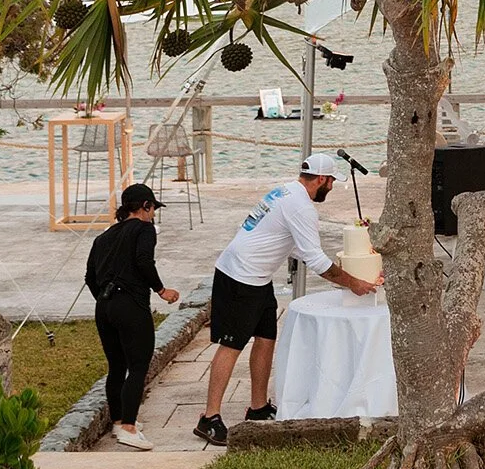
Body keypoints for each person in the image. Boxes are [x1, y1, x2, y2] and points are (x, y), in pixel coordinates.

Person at [194, 154, 379, 445]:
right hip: (238, 276)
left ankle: (258, 407)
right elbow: (315, 259)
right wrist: (353, 283)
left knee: (266, 338)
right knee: (231, 344)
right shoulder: (301, 206)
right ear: (321, 179)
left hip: (258, 277)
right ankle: (210, 417)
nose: (330, 188)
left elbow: (287, 242)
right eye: (330, 182)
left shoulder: (286, 191)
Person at [87, 184, 181, 450]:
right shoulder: (144, 229)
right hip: (130, 305)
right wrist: (161, 290)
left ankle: (118, 421)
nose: (153, 215)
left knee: (116, 366)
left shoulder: (104, 237)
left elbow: (89, 276)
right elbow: (143, 261)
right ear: (145, 206)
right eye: (152, 209)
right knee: (138, 365)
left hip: (104, 307)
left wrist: (106, 300)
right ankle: (129, 427)